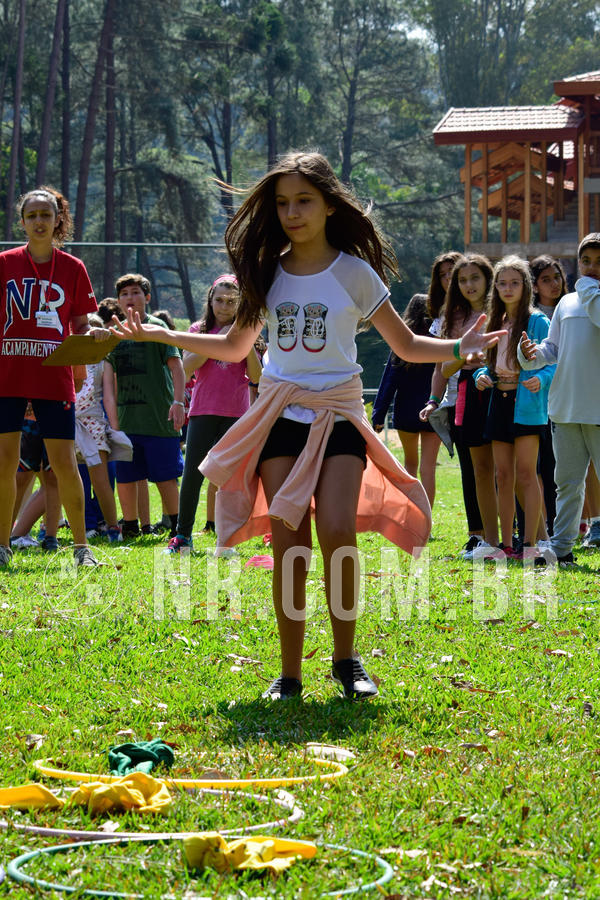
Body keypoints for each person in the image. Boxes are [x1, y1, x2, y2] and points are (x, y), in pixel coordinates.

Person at [110, 151, 504, 700]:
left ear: (327, 205)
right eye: (282, 203)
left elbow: (408, 345)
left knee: (338, 531)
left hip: (339, 413)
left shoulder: (354, 272)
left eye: (304, 201)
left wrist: (460, 348)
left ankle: (347, 661)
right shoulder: (266, 272)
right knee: (290, 544)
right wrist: (163, 336)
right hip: (279, 415)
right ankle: (289, 674)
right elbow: (234, 345)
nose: (292, 212)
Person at [0, 186, 103, 568]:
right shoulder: (4, 263)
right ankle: (2, 546)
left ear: (58, 219)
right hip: (7, 377)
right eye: (32, 215)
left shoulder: (73, 268)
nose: (39, 221)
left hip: (54, 379)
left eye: (46, 214)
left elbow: (79, 324)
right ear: (22, 221)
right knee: (5, 463)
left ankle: (81, 548)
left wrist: (94, 336)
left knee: (64, 463)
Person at [519, 233, 600, 566]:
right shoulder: (566, 303)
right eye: (586, 261)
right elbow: (553, 351)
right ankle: (563, 547)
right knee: (566, 483)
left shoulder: (587, 293)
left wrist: (590, 289)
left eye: (599, 261)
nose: (592, 268)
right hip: (565, 408)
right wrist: (531, 355)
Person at [168, 274, 262, 553]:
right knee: (193, 475)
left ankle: (227, 539)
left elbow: (256, 376)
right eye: (219, 300)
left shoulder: (246, 330)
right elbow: (186, 368)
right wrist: (217, 340)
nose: (224, 306)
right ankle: (182, 537)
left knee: (229, 479)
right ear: (210, 300)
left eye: (231, 302)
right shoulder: (198, 329)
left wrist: (243, 342)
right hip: (203, 412)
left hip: (236, 414)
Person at [474, 257, 554, 557]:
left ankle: (532, 545)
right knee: (502, 476)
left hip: (528, 407)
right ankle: (505, 546)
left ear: (526, 286)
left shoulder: (537, 321)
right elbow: (488, 366)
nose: (508, 289)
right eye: (503, 283)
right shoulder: (493, 322)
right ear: (495, 287)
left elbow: (553, 363)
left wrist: (541, 379)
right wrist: (482, 376)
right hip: (500, 403)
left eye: (515, 283)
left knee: (526, 474)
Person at [103, 274, 186, 539]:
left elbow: (178, 368)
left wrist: (178, 403)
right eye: (125, 293)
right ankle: (130, 527)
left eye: (136, 292)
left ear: (147, 298)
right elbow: (109, 382)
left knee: (164, 477)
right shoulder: (115, 335)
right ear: (118, 300)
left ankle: (177, 526)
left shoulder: (158, 327)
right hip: (127, 423)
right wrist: (113, 424)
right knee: (126, 478)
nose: (130, 297)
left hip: (159, 420)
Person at [433, 254, 498, 557]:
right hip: (466, 394)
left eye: (475, 278)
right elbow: (445, 368)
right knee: (475, 469)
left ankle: (513, 534)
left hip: (502, 392)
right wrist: (465, 352)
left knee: (507, 469)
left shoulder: (502, 310)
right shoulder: (453, 317)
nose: (468, 285)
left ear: (488, 279)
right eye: (462, 280)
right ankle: (479, 536)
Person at [372, 294, 441, 508]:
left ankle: (413, 516)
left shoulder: (401, 344)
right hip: (433, 410)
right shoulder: (438, 342)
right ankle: (427, 520)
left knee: (410, 465)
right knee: (428, 468)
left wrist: (378, 414)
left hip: (406, 412)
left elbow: (389, 381)